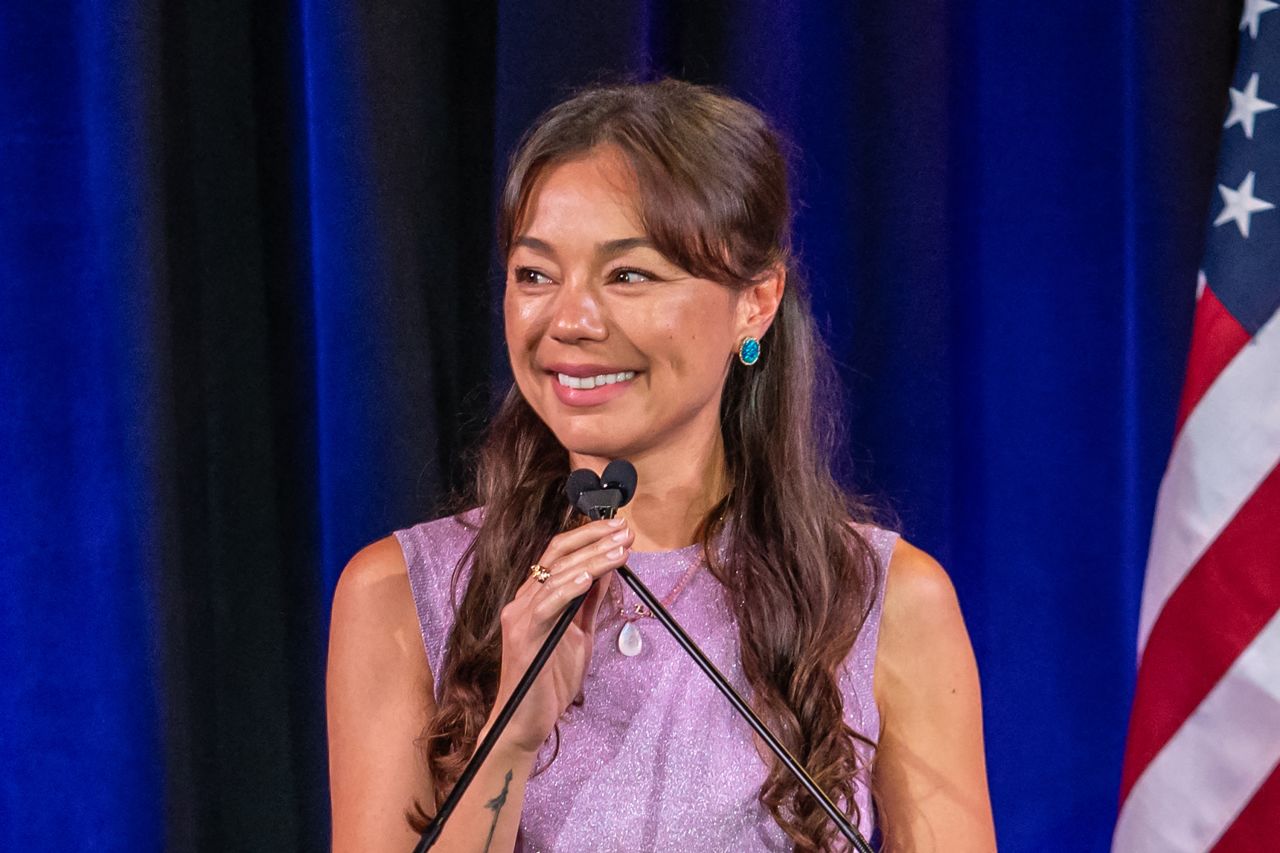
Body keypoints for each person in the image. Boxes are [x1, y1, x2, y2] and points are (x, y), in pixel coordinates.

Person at [326, 78, 995, 852]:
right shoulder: (402, 593)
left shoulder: (887, 601)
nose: (570, 319)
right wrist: (510, 732)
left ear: (757, 301)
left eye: (628, 275)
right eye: (536, 274)